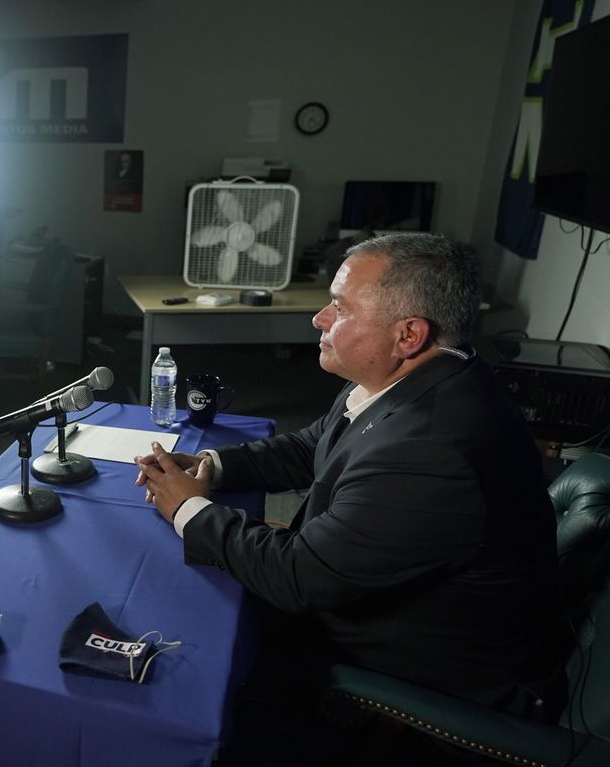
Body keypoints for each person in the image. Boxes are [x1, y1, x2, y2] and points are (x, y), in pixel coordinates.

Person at [134, 233, 566, 761]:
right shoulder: (418, 374)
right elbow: (311, 446)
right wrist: (211, 467)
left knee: (176, 639)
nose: (318, 319)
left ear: (409, 334)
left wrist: (185, 507)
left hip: (425, 672)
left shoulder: (432, 450)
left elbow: (299, 580)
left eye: (338, 307)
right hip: (376, 596)